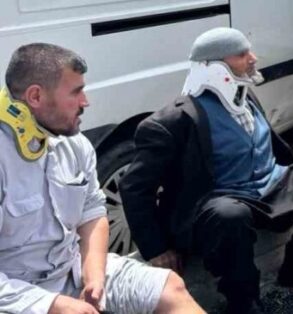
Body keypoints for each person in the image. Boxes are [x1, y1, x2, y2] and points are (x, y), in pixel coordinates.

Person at [121, 28, 293, 313]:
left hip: (267, 186)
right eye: (242, 54)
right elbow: (134, 187)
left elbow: (265, 147)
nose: (253, 58)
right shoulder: (172, 121)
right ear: (215, 66)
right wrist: (154, 247)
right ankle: (243, 300)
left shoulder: (244, 95)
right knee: (231, 215)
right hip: (218, 201)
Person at [0, 43, 202, 314]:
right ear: (35, 96)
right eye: (76, 92)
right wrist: (52, 305)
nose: (86, 102)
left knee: (171, 287)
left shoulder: (75, 144)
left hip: (72, 268)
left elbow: (92, 212)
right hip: (16, 292)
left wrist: (94, 275)